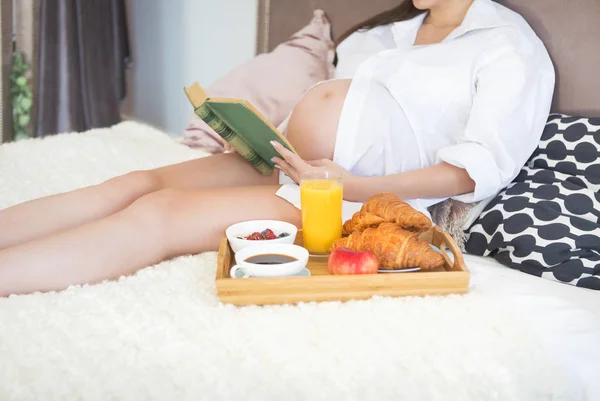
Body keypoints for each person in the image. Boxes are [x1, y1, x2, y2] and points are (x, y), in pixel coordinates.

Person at [0, 0, 555, 296]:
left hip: (348, 201)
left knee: (159, 213)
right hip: (287, 163)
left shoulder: (507, 46)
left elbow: (473, 171)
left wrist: (353, 185)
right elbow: (336, 109)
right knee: (131, 183)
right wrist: (261, 138)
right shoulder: (381, 35)